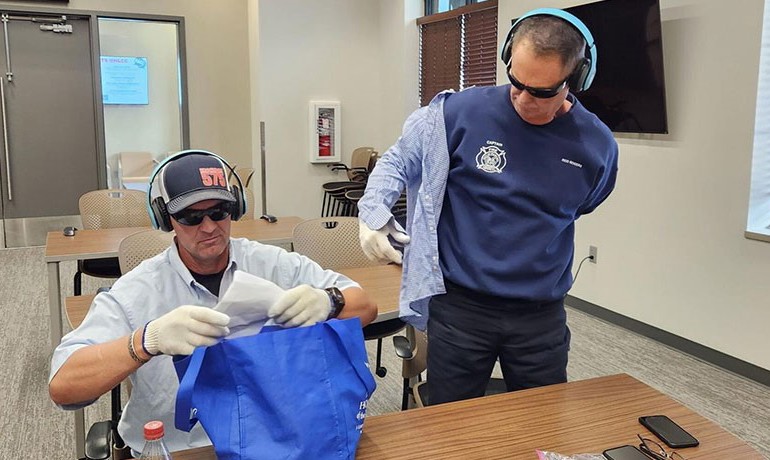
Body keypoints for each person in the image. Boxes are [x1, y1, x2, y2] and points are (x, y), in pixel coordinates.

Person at [358, 9, 618, 405]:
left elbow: (583, 204)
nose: (524, 99)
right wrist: (373, 214)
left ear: (575, 80)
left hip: (540, 316)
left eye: (543, 92)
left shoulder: (596, 146)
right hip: (462, 307)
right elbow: (397, 161)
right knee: (450, 423)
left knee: (542, 423)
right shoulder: (458, 113)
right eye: (516, 82)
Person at [49, 151, 377, 453]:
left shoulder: (271, 264)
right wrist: (146, 341)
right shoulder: (138, 290)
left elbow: (364, 305)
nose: (209, 228)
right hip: (182, 450)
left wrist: (329, 301)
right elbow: (63, 385)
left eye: (219, 212)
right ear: (166, 220)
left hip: (271, 441)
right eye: (191, 217)